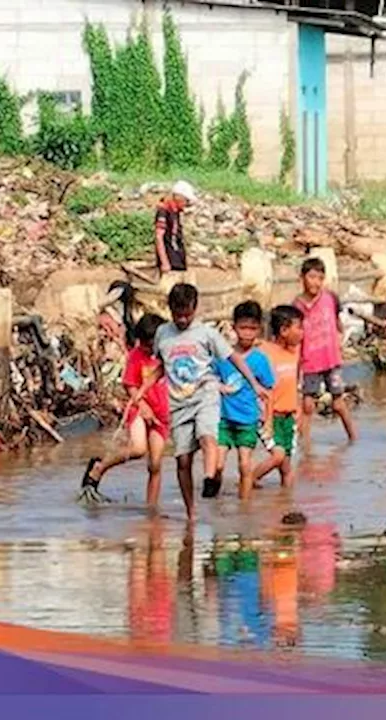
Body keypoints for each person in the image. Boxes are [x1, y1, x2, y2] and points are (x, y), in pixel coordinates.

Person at [129, 283, 267, 520]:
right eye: (178, 313)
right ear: (170, 309)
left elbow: (234, 358)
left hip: (206, 393)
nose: (183, 319)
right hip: (179, 401)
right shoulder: (163, 333)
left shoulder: (207, 334)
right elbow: (162, 366)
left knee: (207, 436)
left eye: (187, 313)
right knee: (183, 460)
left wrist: (254, 384)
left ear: (195, 308)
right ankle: (191, 513)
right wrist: (143, 388)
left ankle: (210, 477)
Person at [80, 313, 170, 508]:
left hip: (162, 414)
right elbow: (129, 384)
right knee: (138, 449)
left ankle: (151, 508)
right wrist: (143, 406)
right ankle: (100, 466)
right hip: (139, 407)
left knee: (155, 465)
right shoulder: (136, 356)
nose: (151, 349)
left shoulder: (169, 354)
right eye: (147, 344)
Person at [293, 257, 357, 448]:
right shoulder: (296, 306)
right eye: (312, 277)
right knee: (307, 405)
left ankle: (353, 438)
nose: (316, 282)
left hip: (331, 359)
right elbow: (295, 336)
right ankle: (306, 446)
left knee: (338, 403)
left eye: (320, 278)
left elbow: (338, 323)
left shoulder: (330, 298)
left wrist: (339, 342)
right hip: (310, 361)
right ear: (302, 278)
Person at [216, 301, 275, 500]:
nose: (247, 333)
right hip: (223, 419)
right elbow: (210, 379)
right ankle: (213, 500)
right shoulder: (223, 356)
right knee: (217, 465)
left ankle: (245, 505)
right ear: (234, 328)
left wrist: (268, 421)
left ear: (259, 329)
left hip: (248, 420)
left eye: (252, 328)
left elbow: (269, 393)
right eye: (243, 328)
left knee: (244, 464)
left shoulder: (260, 360)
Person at [252, 305, 304, 489]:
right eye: (298, 328)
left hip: (289, 417)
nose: (302, 332)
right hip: (270, 416)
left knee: (287, 469)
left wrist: (299, 409)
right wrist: (266, 420)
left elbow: (296, 383)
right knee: (278, 456)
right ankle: (249, 479)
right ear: (283, 330)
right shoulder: (265, 352)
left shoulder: (295, 352)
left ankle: (285, 505)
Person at [155, 180, 198, 274]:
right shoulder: (164, 211)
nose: (186, 204)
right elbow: (159, 237)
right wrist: (164, 262)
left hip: (177, 257)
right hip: (170, 259)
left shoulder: (176, 212)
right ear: (179, 197)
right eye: (186, 200)